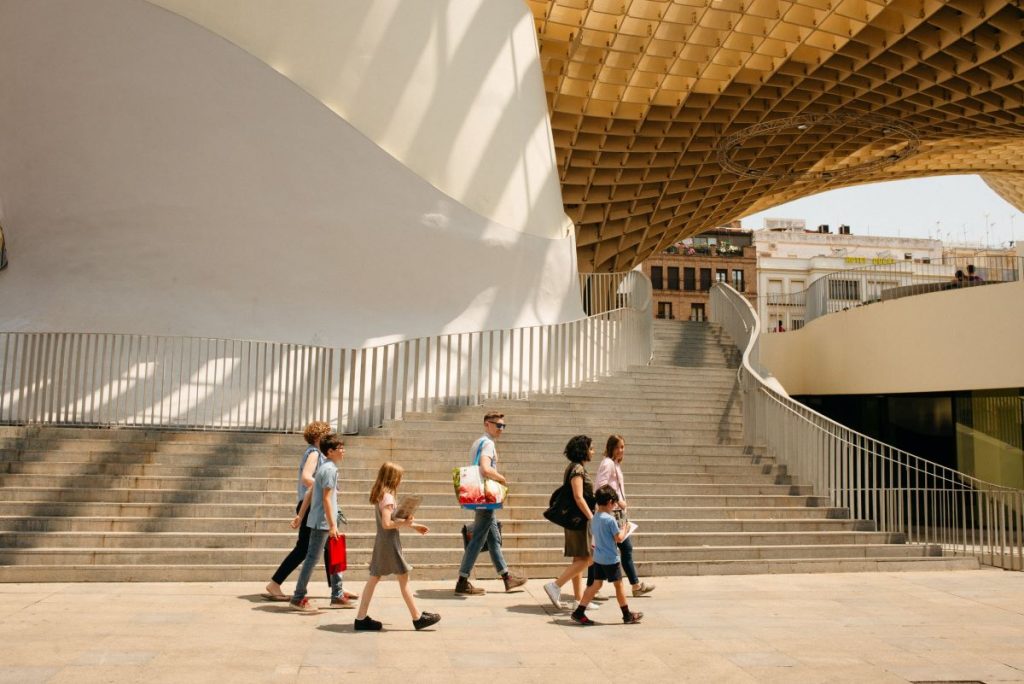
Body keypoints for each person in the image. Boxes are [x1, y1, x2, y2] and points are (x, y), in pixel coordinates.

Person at [264, 422, 356, 602]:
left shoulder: (321, 457)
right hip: (313, 507)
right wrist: (325, 487)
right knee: (305, 550)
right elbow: (307, 477)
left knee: (331, 548)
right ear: (318, 437)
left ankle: (337, 590)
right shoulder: (314, 453)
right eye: (327, 434)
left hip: (315, 505)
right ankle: (276, 583)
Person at [354, 462, 441, 631]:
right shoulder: (388, 497)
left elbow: (390, 521)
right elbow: (387, 524)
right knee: (402, 577)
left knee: (375, 578)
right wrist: (409, 524)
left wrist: (414, 525)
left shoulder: (380, 494)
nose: (401, 481)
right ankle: (417, 618)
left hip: (383, 540)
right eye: (399, 477)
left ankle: (361, 617)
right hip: (389, 541)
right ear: (393, 478)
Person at [454, 412, 527, 595]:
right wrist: (501, 478)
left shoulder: (478, 442)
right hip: (486, 497)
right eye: (498, 425)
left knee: (493, 538)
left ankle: (507, 578)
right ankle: (462, 580)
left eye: (503, 426)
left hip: (482, 497)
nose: (501, 429)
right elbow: (485, 469)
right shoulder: (488, 444)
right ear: (487, 424)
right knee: (478, 538)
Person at [586, 435, 654, 597]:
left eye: (623, 447)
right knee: (617, 548)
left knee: (621, 548)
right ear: (610, 448)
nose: (621, 450)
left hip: (617, 513)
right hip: (612, 513)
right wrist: (617, 501)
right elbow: (601, 486)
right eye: (617, 447)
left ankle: (635, 585)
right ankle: (633, 585)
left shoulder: (614, 464)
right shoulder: (608, 463)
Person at [288, 434, 350, 613]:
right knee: (312, 559)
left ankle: (337, 594)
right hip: (323, 522)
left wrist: (300, 516)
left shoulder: (324, 468)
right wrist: (332, 525)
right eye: (340, 448)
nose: (343, 451)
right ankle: (298, 597)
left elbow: (310, 493)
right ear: (330, 452)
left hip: (323, 521)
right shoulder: (329, 470)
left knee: (335, 556)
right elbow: (326, 499)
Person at [570, 485, 643, 626]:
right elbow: (619, 538)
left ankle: (579, 611)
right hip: (610, 559)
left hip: (598, 558)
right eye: (614, 503)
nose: (615, 506)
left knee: (595, 584)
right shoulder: (610, 520)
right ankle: (627, 615)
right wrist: (625, 528)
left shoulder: (595, 517)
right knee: (619, 585)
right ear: (610, 502)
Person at [543, 435, 595, 609]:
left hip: (575, 520)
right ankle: (555, 586)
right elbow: (578, 497)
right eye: (591, 448)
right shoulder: (577, 470)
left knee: (578, 559)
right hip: (579, 520)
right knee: (588, 558)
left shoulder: (573, 467)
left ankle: (579, 600)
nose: (593, 451)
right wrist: (592, 518)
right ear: (583, 450)